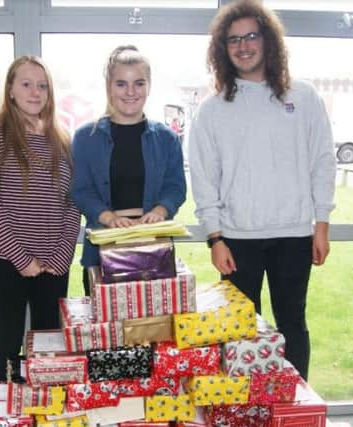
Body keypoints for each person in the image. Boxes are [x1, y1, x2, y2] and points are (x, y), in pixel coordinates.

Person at [189, 0, 336, 381]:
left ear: (268, 40)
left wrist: (322, 222)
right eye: (233, 40)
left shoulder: (304, 98)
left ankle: (296, 405)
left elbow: (322, 161)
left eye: (251, 36)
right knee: (237, 333)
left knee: (292, 324)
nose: (243, 46)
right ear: (223, 49)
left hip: (293, 235)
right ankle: (242, 411)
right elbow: (204, 179)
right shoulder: (212, 109)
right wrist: (215, 238)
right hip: (237, 240)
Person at [0, 55, 80, 381]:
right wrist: (21, 259)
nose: (35, 92)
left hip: (52, 264)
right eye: (27, 84)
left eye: (42, 85)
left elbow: (73, 202)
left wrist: (62, 256)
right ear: (11, 89)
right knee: (6, 343)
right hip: (2, 262)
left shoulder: (62, 140)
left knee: (49, 349)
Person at [72, 45, 187, 296]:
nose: (131, 92)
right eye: (121, 84)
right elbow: (80, 190)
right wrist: (107, 217)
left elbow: (176, 187)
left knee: (153, 331)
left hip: (154, 251)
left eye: (139, 83)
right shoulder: (84, 138)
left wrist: (160, 210)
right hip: (102, 252)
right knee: (106, 333)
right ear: (108, 87)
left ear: (149, 86)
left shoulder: (167, 139)